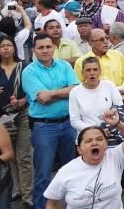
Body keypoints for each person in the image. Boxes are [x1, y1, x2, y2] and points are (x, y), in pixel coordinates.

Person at [22, 33, 80, 208]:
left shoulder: (64, 65)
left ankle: (73, 205)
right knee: (43, 174)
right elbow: (42, 98)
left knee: (71, 171)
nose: (45, 50)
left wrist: (52, 93)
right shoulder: (29, 72)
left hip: (69, 124)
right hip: (44, 127)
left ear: (54, 47)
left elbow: (76, 89)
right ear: (34, 50)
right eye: (41, 47)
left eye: (48, 47)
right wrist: (64, 91)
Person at [44, 108, 124, 208]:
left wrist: (117, 124)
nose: (94, 143)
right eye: (88, 141)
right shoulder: (66, 172)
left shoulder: (114, 157)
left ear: (106, 144)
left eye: (99, 139)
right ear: (79, 150)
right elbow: (51, 203)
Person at [0, 36, 33, 209]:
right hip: (1, 118)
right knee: (9, 156)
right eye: (2, 46)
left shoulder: (24, 67)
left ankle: (28, 195)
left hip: (22, 114)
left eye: (9, 45)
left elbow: (32, 91)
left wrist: (23, 101)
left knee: (24, 155)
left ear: (14, 48)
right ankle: (16, 190)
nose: (5, 48)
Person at [69, 57, 124, 132]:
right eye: (88, 70)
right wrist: (97, 130)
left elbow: (120, 107)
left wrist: (109, 125)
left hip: (112, 131)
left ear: (100, 71)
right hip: (88, 134)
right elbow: (75, 121)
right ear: (82, 73)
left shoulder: (109, 85)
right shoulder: (75, 92)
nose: (92, 73)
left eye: (95, 69)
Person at [73, 29, 124, 97]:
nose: (106, 42)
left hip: (119, 98)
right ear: (90, 43)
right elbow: (78, 86)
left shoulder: (118, 55)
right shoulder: (81, 62)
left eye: (106, 38)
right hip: (93, 101)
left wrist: (122, 88)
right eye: (101, 40)